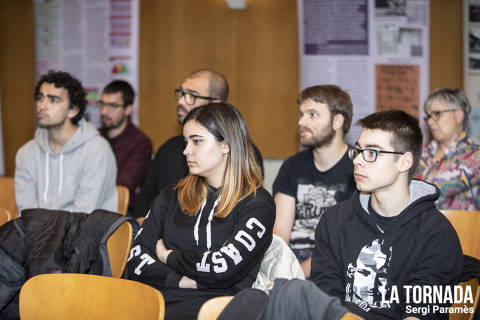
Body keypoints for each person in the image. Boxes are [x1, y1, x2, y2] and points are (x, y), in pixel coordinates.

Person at [126, 102, 274, 320]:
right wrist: (182, 280)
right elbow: (136, 259)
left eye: (196, 141)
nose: (186, 151)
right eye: (186, 142)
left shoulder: (257, 203)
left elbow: (223, 268)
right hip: (158, 301)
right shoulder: (171, 195)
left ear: (226, 145)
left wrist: (169, 257)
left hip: (218, 310)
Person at [311, 110, 463, 319]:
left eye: (372, 153)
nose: (357, 161)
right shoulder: (334, 221)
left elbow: (420, 315)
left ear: (404, 162)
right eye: (358, 150)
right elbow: (325, 303)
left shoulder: (437, 234)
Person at [133, 69, 263, 223]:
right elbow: (146, 196)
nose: (181, 101)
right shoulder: (168, 148)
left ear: (216, 104)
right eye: (181, 93)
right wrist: (146, 227)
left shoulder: (243, 152)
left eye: (191, 95)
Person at [272, 85, 356, 278]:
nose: (301, 122)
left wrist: (297, 276)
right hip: (291, 261)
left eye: (312, 115)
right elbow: (280, 232)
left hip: (336, 264)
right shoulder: (293, 166)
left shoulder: (359, 167)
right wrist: (279, 272)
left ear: (337, 121)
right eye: (301, 114)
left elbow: (347, 242)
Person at [15, 70, 117, 214]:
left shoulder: (97, 151)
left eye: (53, 100)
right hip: (37, 234)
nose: (42, 106)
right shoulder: (26, 153)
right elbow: (26, 214)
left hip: (86, 234)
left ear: (73, 110)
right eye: (40, 98)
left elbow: (84, 216)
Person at [414, 88, 480, 210]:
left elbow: (437, 190)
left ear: (458, 115)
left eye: (437, 114)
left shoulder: (475, 155)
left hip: (462, 228)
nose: (430, 122)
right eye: (428, 116)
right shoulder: (422, 153)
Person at [99, 80, 152, 212]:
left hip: (121, 211)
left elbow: (122, 186)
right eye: (102, 104)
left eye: (112, 106)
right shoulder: (95, 136)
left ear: (128, 109)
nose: (104, 111)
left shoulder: (140, 142)